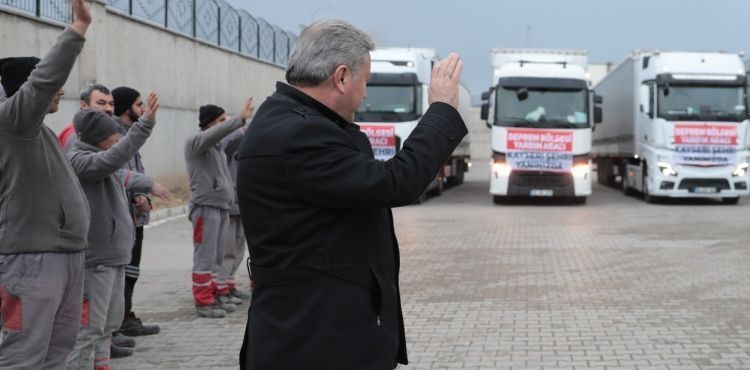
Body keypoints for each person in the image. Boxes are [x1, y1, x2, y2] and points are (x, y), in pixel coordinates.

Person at [235, 20, 467, 370]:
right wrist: (441, 110)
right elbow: (396, 182)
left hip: (316, 328)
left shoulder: (292, 121)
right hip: (314, 339)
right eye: (366, 81)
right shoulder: (301, 134)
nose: (366, 93)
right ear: (341, 77)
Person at [0, 1, 92, 368]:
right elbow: (45, 80)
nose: (61, 92)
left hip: (65, 257)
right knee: (24, 354)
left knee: (58, 352)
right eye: (54, 86)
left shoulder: (41, 133)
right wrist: (78, 29)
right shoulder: (12, 123)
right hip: (30, 262)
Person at [65, 95, 162, 370]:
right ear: (98, 137)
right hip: (95, 263)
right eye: (113, 135)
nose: (118, 139)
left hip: (114, 258)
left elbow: (123, 173)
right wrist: (144, 125)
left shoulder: (99, 159)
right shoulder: (80, 160)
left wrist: (147, 189)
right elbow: (117, 158)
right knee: (88, 331)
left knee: (106, 327)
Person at [185, 99, 254, 318]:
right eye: (221, 121)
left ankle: (213, 297)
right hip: (206, 208)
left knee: (216, 257)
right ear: (210, 124)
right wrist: (240, 119)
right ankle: (204, 303)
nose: (226, 124)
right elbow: (218, 134)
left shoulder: (215, 147)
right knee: (205, 258)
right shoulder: (197, 141)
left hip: (221, 207)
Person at [111, 86, 164, 337]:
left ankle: (125, 317)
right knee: (121, 274)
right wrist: (139, 192)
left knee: (131, 271)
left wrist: (142, 195)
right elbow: (117, 171)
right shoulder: (113, 136)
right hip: (123, 216)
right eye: (138, 105)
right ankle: (117, 324)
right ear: (125, 107)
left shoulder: (128, 134)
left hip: (135, 216)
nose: (142, 109)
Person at [218, 122, 253, 301]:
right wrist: (248, 121)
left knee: (238, 250)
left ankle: (229, 285)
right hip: (229, 207)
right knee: (228, 250)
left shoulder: (240, 149)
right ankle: (221, 288)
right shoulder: (220, 145)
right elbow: (231, 139)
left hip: (241, 205)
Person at [58, 84, 115, 150]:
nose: (109, 109)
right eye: (101, 103)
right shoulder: (74, 134)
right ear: (84, 105)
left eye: (111, 104)